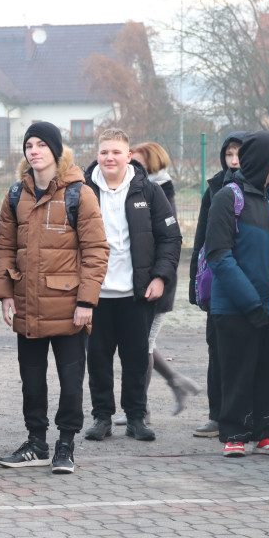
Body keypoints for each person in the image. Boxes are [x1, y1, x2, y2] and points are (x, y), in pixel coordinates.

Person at [0, 123, 108, 473]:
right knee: (32, 380)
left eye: (42, 144)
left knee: (71, 381)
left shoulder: (79, 193)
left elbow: (96, 251)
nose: (34, 150)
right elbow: (4, 248)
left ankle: (66, 445)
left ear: (56, 151)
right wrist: (5, 295)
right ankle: (37, 443)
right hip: (27, 306)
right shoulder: (15, 195)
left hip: (69, 307)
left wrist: (87, 302)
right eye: (29, 144)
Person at [83, 128, 182, 443]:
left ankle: (137, 418)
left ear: (128, 156)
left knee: (137, 360)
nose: (109, 157)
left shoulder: (148, 191)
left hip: (136, 294)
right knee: (98, 360)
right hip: (95, 295)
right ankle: (102, 417)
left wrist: (159, 277)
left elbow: (171, 237)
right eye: (104, 152)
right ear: (98, 155)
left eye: (116, 152)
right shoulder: (82, 191)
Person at [205, 131, 269, 458]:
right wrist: (250, 302)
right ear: (265, 161)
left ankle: (265, 433)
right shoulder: (228, 198)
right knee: (238, 373)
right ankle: (235, 432)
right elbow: (219, 255)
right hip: (236, 310)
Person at [115, 142, 200, 423]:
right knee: (142, 342)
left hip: (156, 281)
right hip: (140, 279)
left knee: (144, 345)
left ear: (150, 165)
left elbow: (165, 240)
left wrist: (156, 277)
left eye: (136, 162)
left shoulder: (159, 191)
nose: (130, 167)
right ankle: (174, 381)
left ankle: (141, 411)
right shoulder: (136, 189)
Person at [189, 132, 245, 437]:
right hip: (218, 282)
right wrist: (194, 286)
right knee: (217, 350)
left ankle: (248, 416)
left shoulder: (265, 188)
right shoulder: (213, 190)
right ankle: (217, 414)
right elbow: (201, 240)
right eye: (229, 155)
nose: (234, 161)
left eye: (239, 154)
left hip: (251, 280)